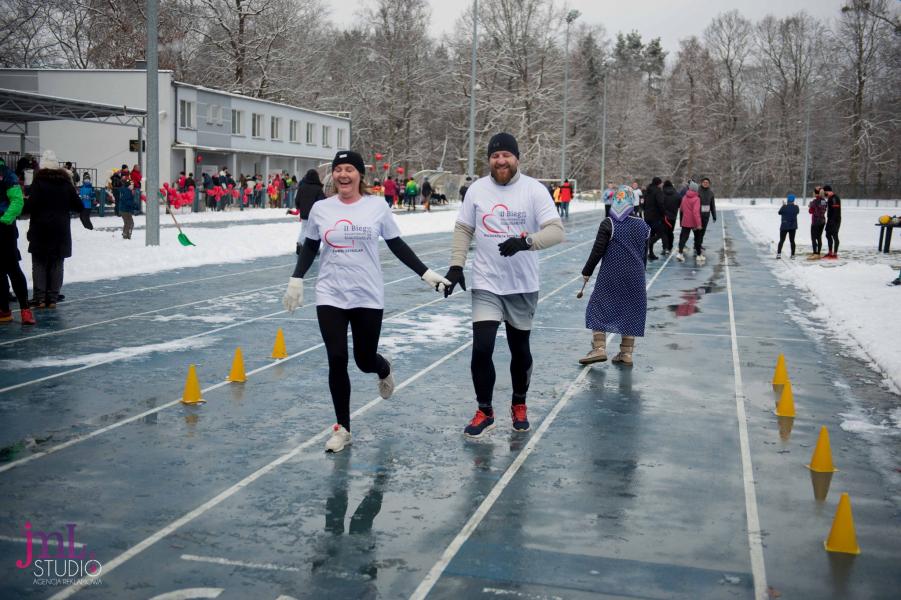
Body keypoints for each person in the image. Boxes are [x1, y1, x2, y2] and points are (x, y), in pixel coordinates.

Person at [282, 151, 450, 453]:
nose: (343, 175)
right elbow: (309, 246)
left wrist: (425, 273)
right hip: (330, 294)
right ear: (333, 176)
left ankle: (382, 367)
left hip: (367, 294)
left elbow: (396, 244)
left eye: (349, 169)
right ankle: (343, 428)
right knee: (336, 359)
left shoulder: (376, 207)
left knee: (363, 360)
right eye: (338, 170)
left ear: (360, 175)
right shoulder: (321, 208)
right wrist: (297, 278)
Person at [442, 132, 565, 438]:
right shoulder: (477, 190)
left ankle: (519, 404)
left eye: (506, 155)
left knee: (519, 350)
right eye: (495, 156)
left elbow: (557, 231)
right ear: (489, 160)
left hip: (522, 284)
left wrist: (526, 242)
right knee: (481, 349)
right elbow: (463, 228)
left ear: (516, 158)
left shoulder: (534, 190)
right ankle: (485, 410)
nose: (500, 160)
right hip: (487, 282)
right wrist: (457, 266)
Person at [579, 185, 650, 366]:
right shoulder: (643, 225)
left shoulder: (609, 223)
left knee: (598, 307)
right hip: (636, 275)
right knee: (631, 311)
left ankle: (599, 348)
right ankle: (626, 354)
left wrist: (587, 271)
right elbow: (644, 254)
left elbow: (597, 251)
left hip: (612, 274)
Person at [25, 151, 93, 308]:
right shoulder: (65, 183)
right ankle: (53, 297)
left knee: (39, 263)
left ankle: (40, 298)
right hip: (60, 229)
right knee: (57, 262)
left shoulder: (38, 182)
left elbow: (30, 205)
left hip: (40, 228)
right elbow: (78, 206)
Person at [0, 157, 34, 324]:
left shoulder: (7, 175)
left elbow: (17, 201)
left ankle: (25, 309)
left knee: (12, 267)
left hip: (5, 228)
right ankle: (4, 310)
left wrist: (4, 219)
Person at [295, 169, 326, 250]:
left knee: (304, 229)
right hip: (315, 214)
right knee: (315, 231)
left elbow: (297, 199)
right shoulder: (318, 188)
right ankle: (315, 248)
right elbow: (322, 201)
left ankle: (300, 243)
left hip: (304, 213)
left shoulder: (302, 187)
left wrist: (299, 207)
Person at [675, 181, 702, 263]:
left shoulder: (684, 197)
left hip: (685, 221)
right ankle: (699, 255)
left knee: (683, 238)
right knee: (697, 238)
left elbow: (682, 209)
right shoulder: (697, 199)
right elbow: (696, 212)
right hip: (694, 222)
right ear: (696, 189)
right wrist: (698, 224)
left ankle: (680, 253)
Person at [643, 177, 664, 260]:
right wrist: (664, 213)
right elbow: (660, 203)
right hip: (656, 216)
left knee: (650, 234)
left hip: (647, 216)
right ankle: (648, 243)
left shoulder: (647, 190)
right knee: (661, 233)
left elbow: (643, 203)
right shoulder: (658, 191)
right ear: (658, 183)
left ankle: (650, 253)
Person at [776, 194, 799, 259]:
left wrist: (783, 205)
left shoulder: (784, 207)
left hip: (784, 226)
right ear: (794, 200)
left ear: (787, 199)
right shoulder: (796, 207)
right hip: (793, 226)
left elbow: (779, 212)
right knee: (792, 241)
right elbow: (797, 212)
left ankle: (779, 254)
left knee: (781, 240)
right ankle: (793, 255)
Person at [661, 180, 680, 255]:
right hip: (673, 216)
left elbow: (660, 203)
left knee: (664, 232)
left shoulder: (661, 193)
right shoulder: (676, 194)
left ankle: (665, 247)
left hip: (664, 216)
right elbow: (679, 203)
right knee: (670, 232)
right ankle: (670, 247)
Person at [697, 177, 716, 249]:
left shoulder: (711, 193)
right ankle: (697, 245)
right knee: (698, 231)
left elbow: (712, 205)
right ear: (701, 183)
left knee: (703, 231)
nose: (705, 183)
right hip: (698, 215)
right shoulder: (697, 191)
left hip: (706, 215)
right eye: (704, 182)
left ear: (709, 184)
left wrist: (714, 215)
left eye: (707, 182)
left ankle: (699, 244)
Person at [808, 186, 827, 257]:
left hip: (815, 221)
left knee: (813, 238)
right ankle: (818, 252)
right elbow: (823, 209)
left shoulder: (814, 201)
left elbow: (810, 211)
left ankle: (815, 253)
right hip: (822, 221)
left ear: (816, 194)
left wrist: (810, 206)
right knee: (819, 237)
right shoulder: (824, 201)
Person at [823, 185, 841, 259]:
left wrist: (833, 221)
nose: (824, 194)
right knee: (827, 235)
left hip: (835, 220)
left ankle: (835, 253)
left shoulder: (835, 198)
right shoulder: (830, 198)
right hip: (830, 219)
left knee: (835, 236)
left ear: (828, 191)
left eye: (825, 192)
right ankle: (830, 252)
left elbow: (836, 211)